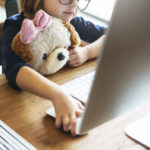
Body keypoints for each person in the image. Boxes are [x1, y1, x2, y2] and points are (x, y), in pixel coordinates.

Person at [1, 0, 106, 136]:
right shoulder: (16, 25)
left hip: (57, 94)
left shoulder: (71, 22)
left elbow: (114, 35)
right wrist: (59, 95)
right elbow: (13, 68)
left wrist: (87, 52)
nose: (75, 4)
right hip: (18, 107)